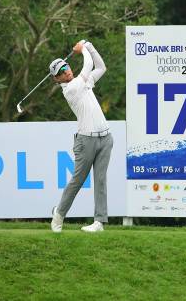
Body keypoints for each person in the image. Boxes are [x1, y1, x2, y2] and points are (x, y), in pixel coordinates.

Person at [49, 40, 113, 233]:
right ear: (57, 79)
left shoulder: (84, 82)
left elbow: (101, 66)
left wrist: (90, 46)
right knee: (77, 180)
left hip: (105, 138)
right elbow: (88, 65)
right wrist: (83, 49)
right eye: (60, 72)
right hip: (86, 141)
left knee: (100, 180)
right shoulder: (70, 89)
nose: (65, 72)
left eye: (65, 67)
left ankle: (99, 222)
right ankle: (59, 215)